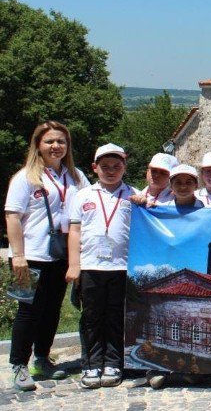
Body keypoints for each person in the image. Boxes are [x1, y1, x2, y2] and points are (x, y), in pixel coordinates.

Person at [4, 121, 88, 391]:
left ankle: (41, 358)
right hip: (33, 255)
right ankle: (18, 365)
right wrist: (18, 255)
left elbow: (92, 203)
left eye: (61, 141)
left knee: (51, 310)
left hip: (62, 255)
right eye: (50, 141)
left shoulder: (75, 177)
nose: (56, 146)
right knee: (28, 311)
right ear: (38, 145)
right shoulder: (26, 178)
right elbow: (13, 217)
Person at [66, 143, 136, 389]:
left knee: (116, 317)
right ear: (95, 168)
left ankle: (114, 363)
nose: (111, 170)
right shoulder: (83, 195)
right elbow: (74, 231)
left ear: (124, 167)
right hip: (90, 266)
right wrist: (74, 265)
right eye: (105, 166)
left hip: (121, 267)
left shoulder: (133, 195)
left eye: (116, 166)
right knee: (92, 318)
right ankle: (92, 364)